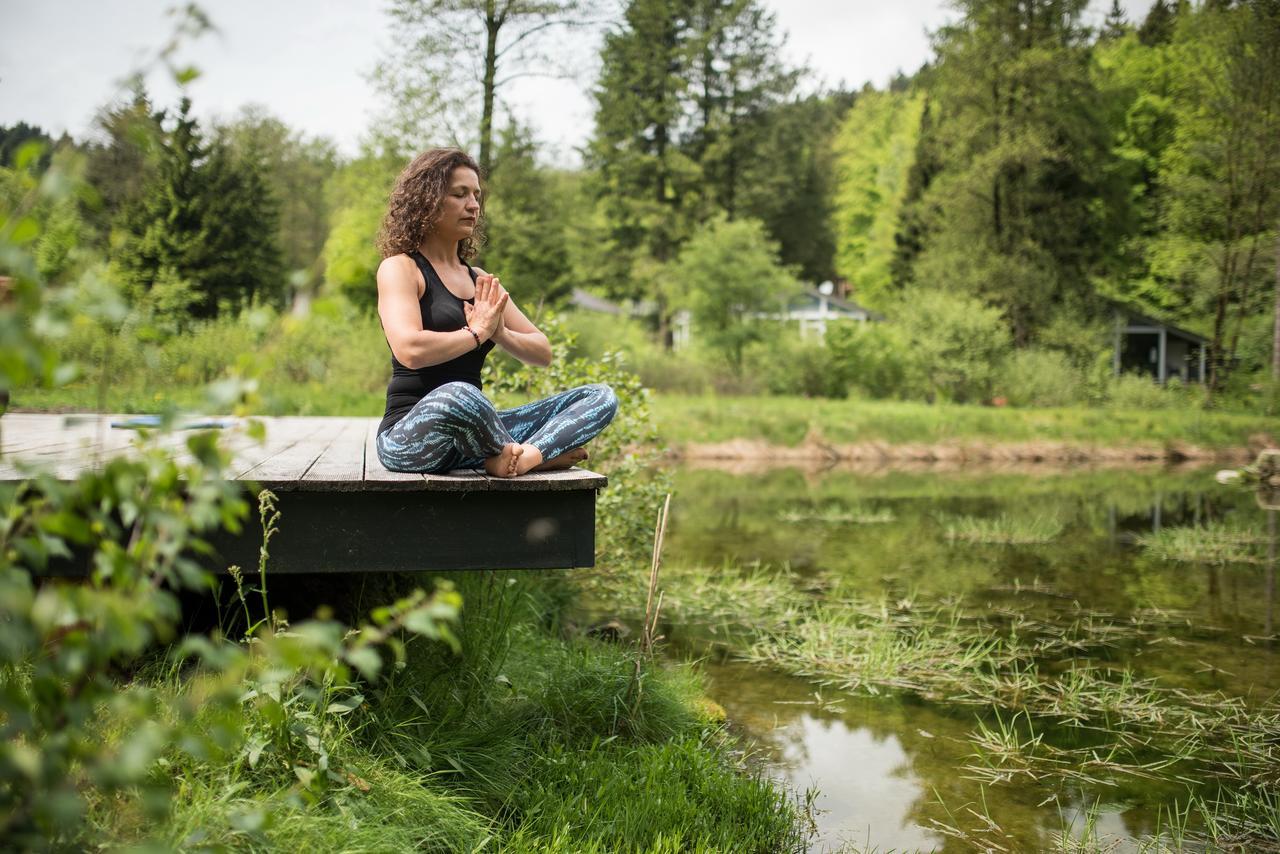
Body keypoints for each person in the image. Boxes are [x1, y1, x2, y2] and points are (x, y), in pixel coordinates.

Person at [373, 148, 617, 478]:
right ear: (426, 201)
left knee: (599, 396)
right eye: (459, 195)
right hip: (410, 437)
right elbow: (410, 350)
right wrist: (475, 334)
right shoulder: (400, 269)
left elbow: (542, 352)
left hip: (476, 435)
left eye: (476, 195)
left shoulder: (480, 280)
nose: (473, 205)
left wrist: (498, 332)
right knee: (460, 394)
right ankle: (518, 454)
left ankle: (525, 457)